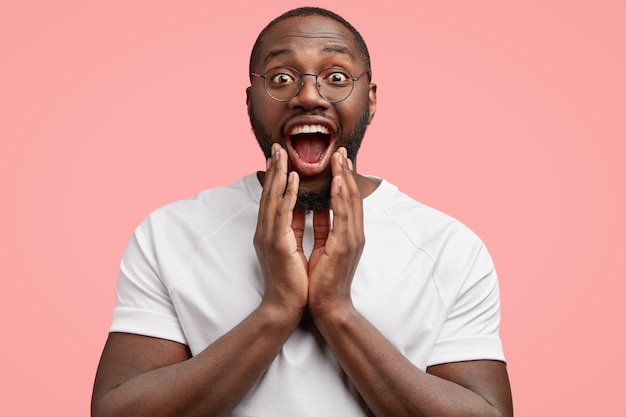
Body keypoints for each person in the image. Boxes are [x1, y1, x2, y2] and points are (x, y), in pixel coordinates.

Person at [91, 7, 513, 417]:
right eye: (281, 78)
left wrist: (335, 309)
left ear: (370, 99)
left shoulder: (449, 246)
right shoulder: (169, 234)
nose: (309, 95)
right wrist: (277, 307)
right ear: (251, 101)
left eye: (335, 77)